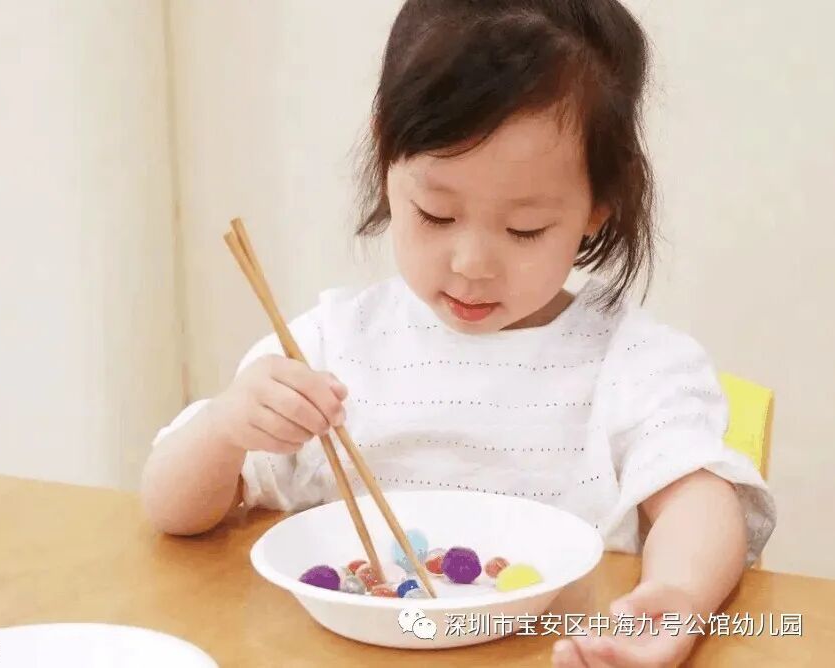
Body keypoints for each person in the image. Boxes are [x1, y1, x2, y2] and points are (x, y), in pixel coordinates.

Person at [142, 2, 776, 665]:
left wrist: (676, 595)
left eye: (524, 229)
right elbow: (171, 510)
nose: (471, 264)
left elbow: (700, 502)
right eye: (436, 214)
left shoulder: (634, 363)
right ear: (386, 155)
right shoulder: (329, 343)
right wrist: (225, 428)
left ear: (598, 206)